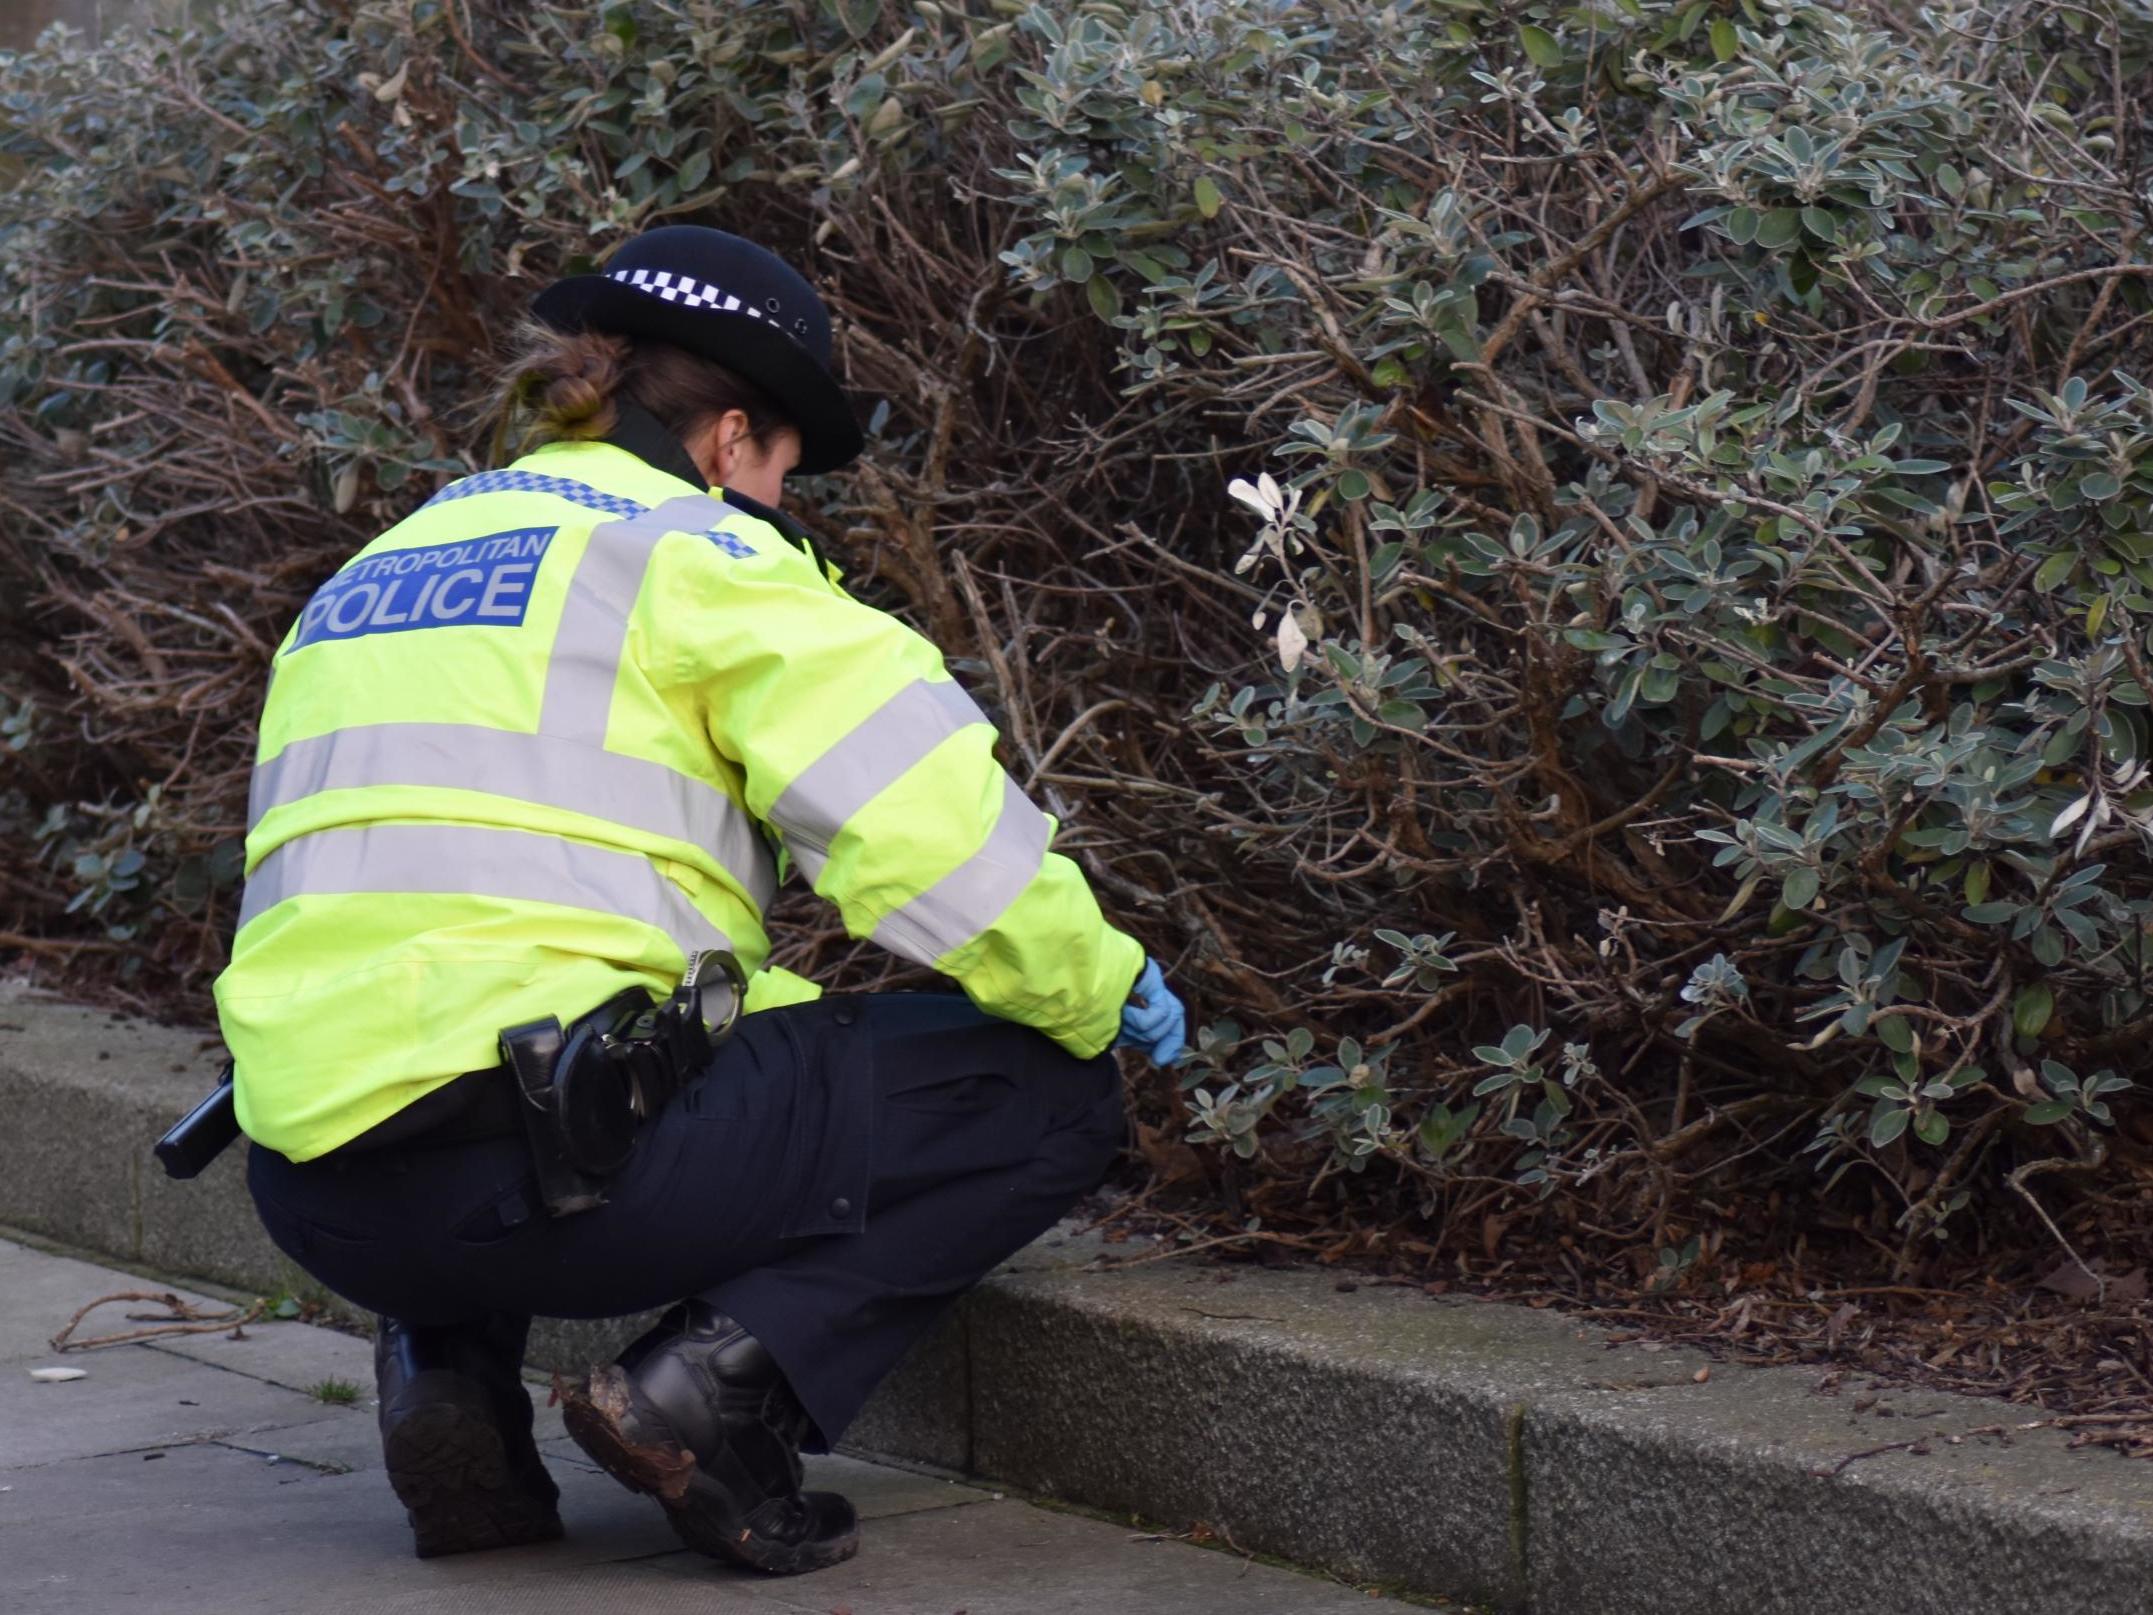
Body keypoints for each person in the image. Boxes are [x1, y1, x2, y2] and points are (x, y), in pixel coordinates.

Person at [216, 225, 1189, 1574]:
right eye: (784, 467)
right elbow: (930, 840)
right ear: (731, 438)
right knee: (1044, 1095)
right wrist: (1093, 984)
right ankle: (705, 1395)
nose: (782, 503)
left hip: (315, 1189)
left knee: (463, 1040)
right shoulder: (695, 556)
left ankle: (447, 1382)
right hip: (561, 1175)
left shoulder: (373, 574)